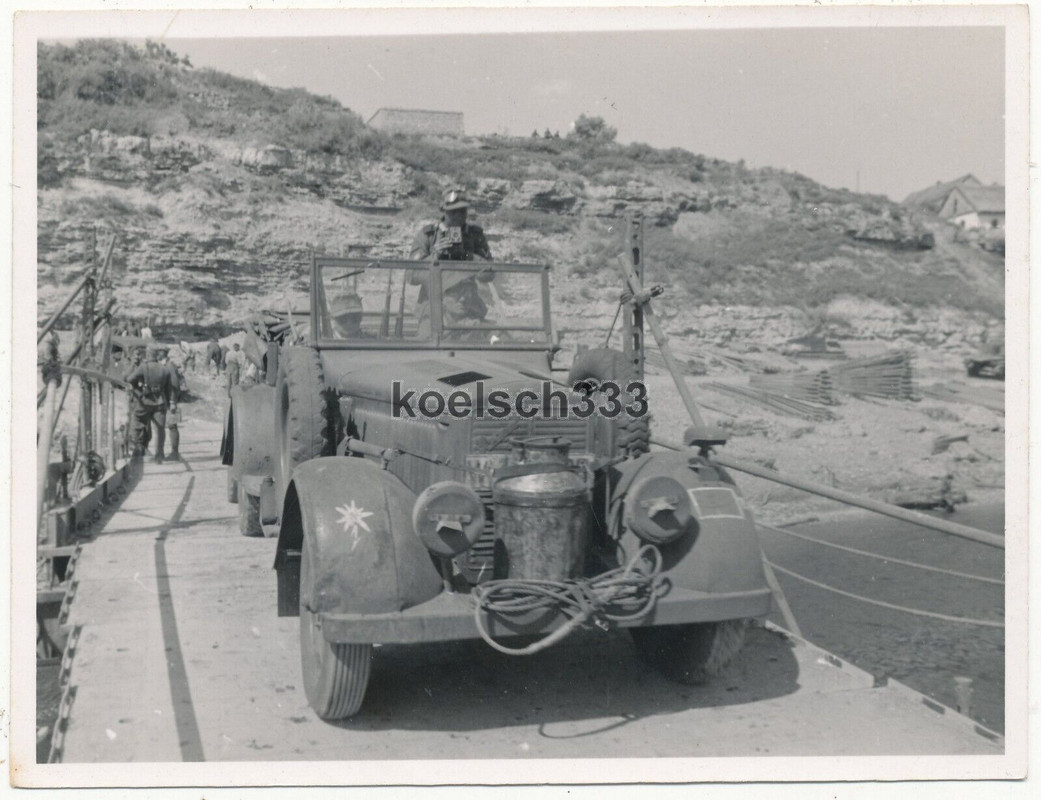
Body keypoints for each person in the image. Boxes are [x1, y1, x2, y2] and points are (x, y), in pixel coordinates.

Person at [408, 187, 495, 336]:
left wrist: (467, 256)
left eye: (462, 211)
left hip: (467, 306)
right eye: (453, 212)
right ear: (443, 211)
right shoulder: (428, 235)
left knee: (489, 340)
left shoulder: (475, 236)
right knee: (426, 343)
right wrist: (435, 256)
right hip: (434, 308)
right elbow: (411, 276)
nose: (458, 216)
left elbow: (489, 275)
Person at [126, 347, 176, 463]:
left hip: (145, 402)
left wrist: (138, 390)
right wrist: (171, 402)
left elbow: (129, 379)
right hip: (160, 402)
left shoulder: (143, 367)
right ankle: (159, 455)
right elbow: (169, 388)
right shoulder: (164, 369)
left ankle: (136, 454)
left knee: (137, 424)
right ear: (157, 356)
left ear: (148, 355)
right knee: (160, 429)